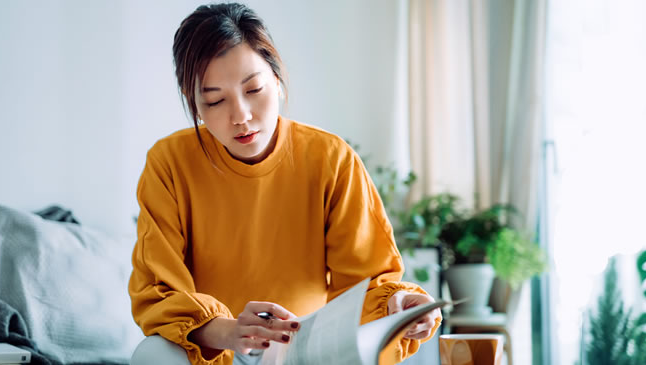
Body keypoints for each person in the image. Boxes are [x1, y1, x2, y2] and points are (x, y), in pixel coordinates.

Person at [128, 3, 442, 365]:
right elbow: (158, 290)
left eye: (254, 89)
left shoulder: (331, 159)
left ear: (276, 80)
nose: (241, 117)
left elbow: (367, 281)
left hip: (304, 353)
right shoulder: (169, 163)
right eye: (215, 101)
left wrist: (397, 305)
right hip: (214, 350)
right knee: (152, 354)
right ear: (195, 106)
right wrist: (231, 331)